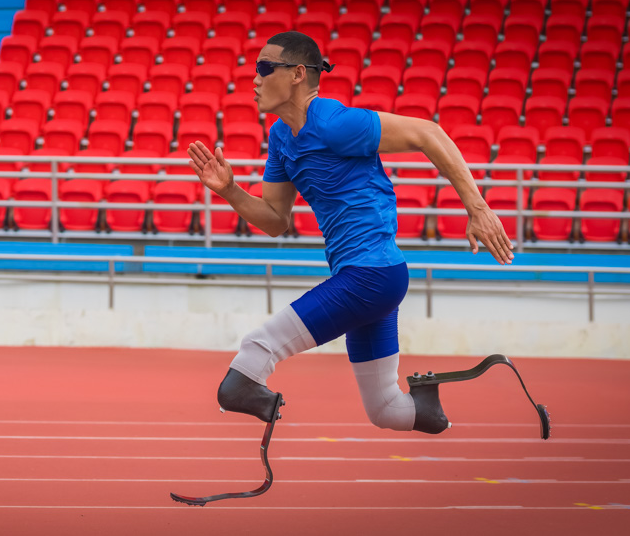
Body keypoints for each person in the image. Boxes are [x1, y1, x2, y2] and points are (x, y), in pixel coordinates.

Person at [186, 31, 516, 434]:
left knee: (257, 349)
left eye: (264, 68)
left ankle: (253, 394)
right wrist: (230, 191)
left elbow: (429, 133)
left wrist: (477, 207)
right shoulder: (280, 138)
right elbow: (275, 219)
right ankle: (427, 404)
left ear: (297, 75)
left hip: (371, 275)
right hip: (372, 278)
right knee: (386, 409)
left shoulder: (337, 124)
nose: (254, 79)